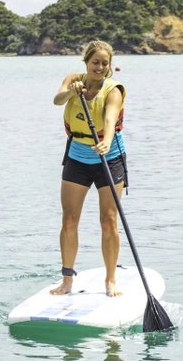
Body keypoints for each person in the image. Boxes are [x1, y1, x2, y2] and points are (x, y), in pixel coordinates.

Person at [51, 40, 127, 297]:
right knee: (69, 220)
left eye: (105, 63)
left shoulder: (113, 90)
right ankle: (67, 280)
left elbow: (110, 117)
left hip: (109, 158)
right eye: (96, 62)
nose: (100, 67)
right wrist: (72, 92)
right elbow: (57, 101)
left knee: (108, 220)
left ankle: (111, 280)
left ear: (109, 66)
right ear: (86, 62)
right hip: (78, 158)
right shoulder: (74, 80)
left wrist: (105, 141)